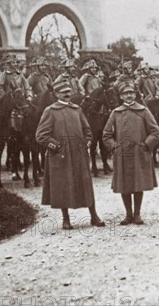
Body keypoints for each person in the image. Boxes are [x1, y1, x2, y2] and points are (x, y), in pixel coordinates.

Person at [35, 79, 105, 230]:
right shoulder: (50, 111)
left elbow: (87, 130)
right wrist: (56, 147)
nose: (67, 94)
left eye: (68, 91)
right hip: (61, 156)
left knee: (85, 184)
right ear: (56, 94)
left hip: (79, 154)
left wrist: (87, 142)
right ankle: (65, 219)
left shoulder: (77, 110)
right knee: (63, 186)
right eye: (63, 92)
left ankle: (94, 216)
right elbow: (41, 135)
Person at [103, 82, 159, 225]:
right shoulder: (116, 113)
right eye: (125, 93)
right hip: (122, 155)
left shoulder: (143, 111)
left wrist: (146, 145)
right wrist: (114, 147)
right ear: (121, 97)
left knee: (138, 183)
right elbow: (106, 134)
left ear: (135, 95)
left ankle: (137, 215)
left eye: (131, 93)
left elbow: (156, 132)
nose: (129, 96)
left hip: (138, 154)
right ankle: (128, 215)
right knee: (124, 184)